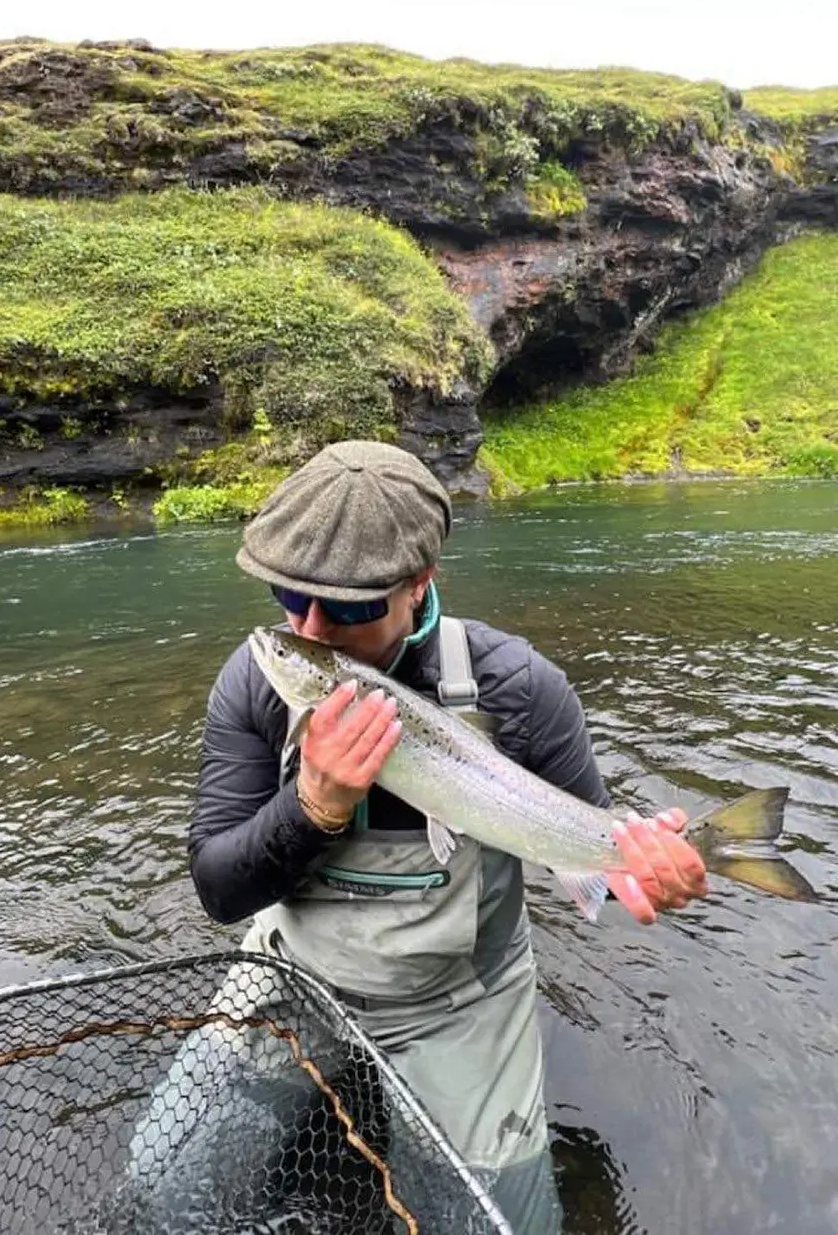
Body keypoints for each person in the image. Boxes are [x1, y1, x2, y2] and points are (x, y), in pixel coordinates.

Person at [187, 440, 708, 1233]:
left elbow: (594, 842)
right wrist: (313, 806)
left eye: (353, 607)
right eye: (290, 595)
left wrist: (638, 867)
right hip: (297, 972)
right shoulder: (260, 675)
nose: (313, 628)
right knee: (170, 1177)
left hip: (461, 997)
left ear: (419, 583)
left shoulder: (520, 688)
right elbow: (221, 889)